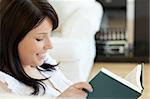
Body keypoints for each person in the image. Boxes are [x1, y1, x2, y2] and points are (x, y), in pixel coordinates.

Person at [0, 0, 93, 98]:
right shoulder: (4, 84)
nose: (50, 45)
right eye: (39, 38)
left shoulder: (44, 60)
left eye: (50, 35)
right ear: (12, 39)